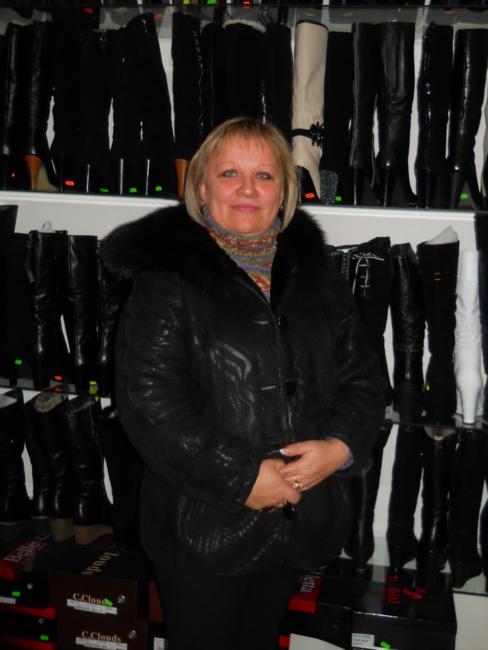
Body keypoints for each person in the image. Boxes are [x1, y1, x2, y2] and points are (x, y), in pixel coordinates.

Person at [101, 117, 384, 650]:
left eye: (264, 175)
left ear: (285, 192)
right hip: (203, 526)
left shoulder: (317, 275)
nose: (248, 189)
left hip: (298, 517)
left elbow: (364, 377)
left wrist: (340, 448)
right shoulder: (164, 279)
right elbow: (149, 406)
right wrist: (244, 478)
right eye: (229, 173)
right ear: (202, 189)